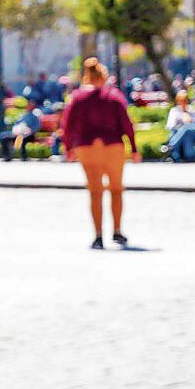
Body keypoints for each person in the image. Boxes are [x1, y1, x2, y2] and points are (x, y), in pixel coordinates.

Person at [61, 56, 138, 248]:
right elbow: (127, 124)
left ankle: (98, 236)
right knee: (116, 189)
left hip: (86, 148)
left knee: (95, 192)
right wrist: (134, 148)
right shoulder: (113, 96)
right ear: (104, 76)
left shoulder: (77, 97)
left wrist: (68, 147)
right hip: (112, 147)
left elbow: (67, 124)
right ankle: (117, 231)